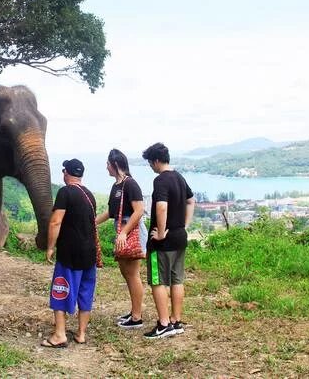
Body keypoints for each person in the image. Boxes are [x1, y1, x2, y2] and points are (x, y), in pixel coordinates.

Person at [141, 142, 196, 339]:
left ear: (156, 161)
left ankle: (164, 324)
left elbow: (161, 207)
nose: (150, 166)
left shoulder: (161, 180)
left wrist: (161, 233)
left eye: (150, 162)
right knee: (177, 280)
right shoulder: (179, 177)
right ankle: (176, 320)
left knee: (158, 281)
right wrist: (184, 225)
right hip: (180, 237)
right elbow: (191, 200)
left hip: (163, 242)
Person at [42, 158, 98, 348]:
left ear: (66, 173)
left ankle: (59, 335)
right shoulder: (89, 195)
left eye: (63, 171)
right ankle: (81, 333)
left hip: (70, 253)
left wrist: (50, 247)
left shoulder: (65, 192)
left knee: (61, 288)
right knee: (85, 291)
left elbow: (55, 221)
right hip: (89, 253)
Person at [96, 149, 147, 329]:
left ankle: (137, 317)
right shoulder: (116, 186)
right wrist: (93, 222)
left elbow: (139, 211)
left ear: (115, 164)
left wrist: (124, 232)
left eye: (108, 164)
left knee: (132, 274)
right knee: (126, 273)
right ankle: (134, 311)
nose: (106, 167)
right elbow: (111, 212)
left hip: (130, 230)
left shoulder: (130, 184)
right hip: (121, 229)